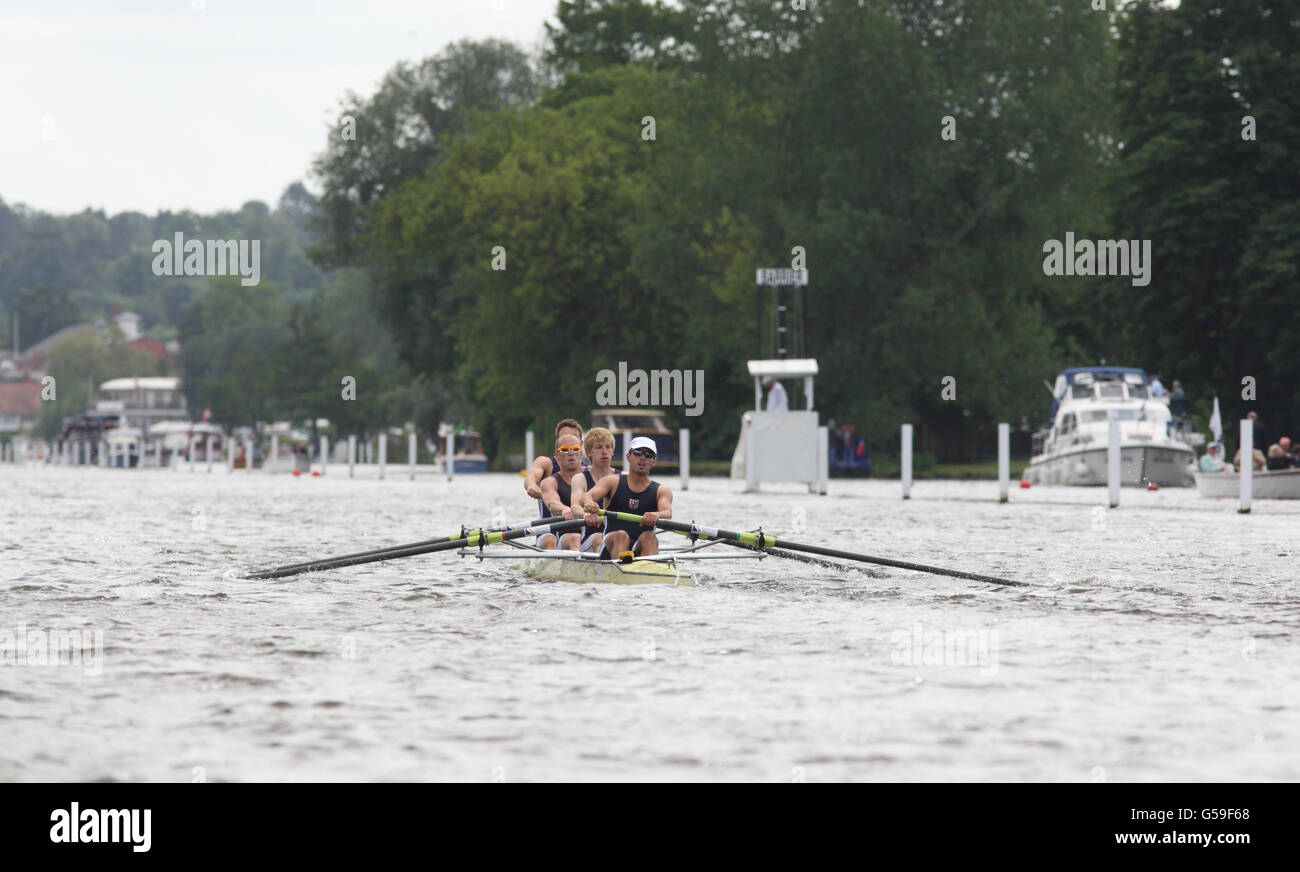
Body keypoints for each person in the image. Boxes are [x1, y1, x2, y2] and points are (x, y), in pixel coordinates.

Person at [581, 435, 673, 559]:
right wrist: (590, 504)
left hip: (639, 547)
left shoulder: (661, 491)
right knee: (621, 536)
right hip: (611, 545)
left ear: (653, 461)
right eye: (638, 453)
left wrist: (657, 515)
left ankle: (649, 571)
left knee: (649, 537)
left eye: (648, 455)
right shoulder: (612, 482)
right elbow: (587, 496)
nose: (643, 458)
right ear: (628, 456)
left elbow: (667, 512)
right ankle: (622, 568)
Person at [567, 427, 617, 554]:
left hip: (620, 537)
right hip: (592, 539)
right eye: (599, 447)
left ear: (612, 451)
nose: (604, 452)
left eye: (608, 447)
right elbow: (575, 507)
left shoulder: (624, 477)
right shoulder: (580, 479)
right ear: (589, 452)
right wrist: (586, 515)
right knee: (600, 538)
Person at [534, 431, 586, 550]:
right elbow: (552, 503)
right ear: (557, 456)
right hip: (563, 535)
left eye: (575, 449)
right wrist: (564, 509)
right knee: (574, 538)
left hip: (590, 534)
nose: (571, 453)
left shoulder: (594, 475)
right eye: (565, 449)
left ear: (581, 454)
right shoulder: (549, 482)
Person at [523, 418, 583, 500]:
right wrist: (532, 485)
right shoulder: (546, 463)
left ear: (581, 443)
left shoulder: (589, 469)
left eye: (573, 437)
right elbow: (532, 475)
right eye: (564, 437)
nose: (569, 440)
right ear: (558, 444)